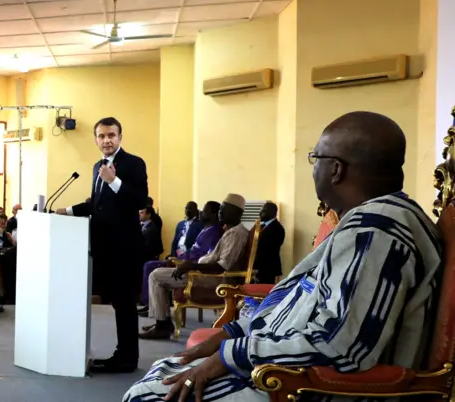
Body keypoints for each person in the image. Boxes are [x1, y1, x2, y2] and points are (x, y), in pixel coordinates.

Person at [123, 111, 443, 402]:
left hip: (315, 387)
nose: (312, 167)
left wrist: (230, 355)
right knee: (168, 367)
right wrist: (233, 332)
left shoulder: (376, 232)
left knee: (148, 396)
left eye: (314, 158)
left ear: (335, 169)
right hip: (294, 368)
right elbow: (311, 305)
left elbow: (341, 346)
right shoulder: (368, 222)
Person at [56, 116, 148, 373]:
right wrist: (67, 210)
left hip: (125, 248)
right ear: (96, 139)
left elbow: (141, 200)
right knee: (118, 303)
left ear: (120, 137)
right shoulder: (98, 164)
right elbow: (97, 205)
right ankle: (121, 354)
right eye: (102, 136)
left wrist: (114, 181)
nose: (106, 140)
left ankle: (127, 359)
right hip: (105, 247)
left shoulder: (133, 163)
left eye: (111, 135)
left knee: (126, 304)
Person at [139, 194, 248, 340]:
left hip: (213, 279)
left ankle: (163, 325)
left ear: (236, 212)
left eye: (224, 209)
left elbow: (222, 266)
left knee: (156, 275)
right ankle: (162, 322)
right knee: (158, 272)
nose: (220, 212)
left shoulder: (236, 234)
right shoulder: (231, 231)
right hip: (203, 273)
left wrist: (191, 266)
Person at [254, 201, 285, 284]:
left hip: (268, 268)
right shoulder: (262, 226)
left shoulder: (277, 228)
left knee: (264, 293)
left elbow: (268, 250)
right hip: (259, 268)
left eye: (263, 211)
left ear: (271, 213)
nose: (260, 213)